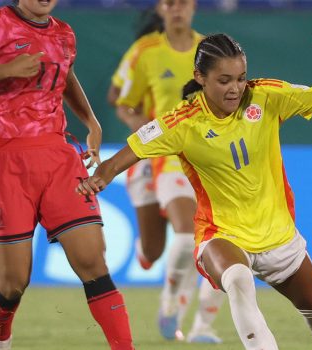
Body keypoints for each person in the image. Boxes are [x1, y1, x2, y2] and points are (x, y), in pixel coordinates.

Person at [77, 17, 312, 350]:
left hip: (277, 235)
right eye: (223, 80)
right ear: (200, 78)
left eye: (240, 78)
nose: (235, 88)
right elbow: (130, 151)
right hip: (220, 234)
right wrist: (99, 177)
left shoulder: (266, 96)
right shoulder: (183, 120)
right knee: (237, 279)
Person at [0, 1, 134, 349]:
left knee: (93, 261)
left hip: (57, 156)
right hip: (4, 160)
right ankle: (0, 339)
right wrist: (7, 69)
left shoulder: (64, 33)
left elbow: (66, 75)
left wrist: (91, 121)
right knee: (14, 281)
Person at [109, 0, 226, 343]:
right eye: (170, 3)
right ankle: (164, 290)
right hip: (167, 156)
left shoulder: (211, 50)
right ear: (161, 9)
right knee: (169, 243)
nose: (177, 9)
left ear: (194, 7)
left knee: (216, 239)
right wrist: (143, 132)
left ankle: (195, 321)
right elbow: (121, 99)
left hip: (208, 158)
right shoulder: (145, 51)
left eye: (183, 3)